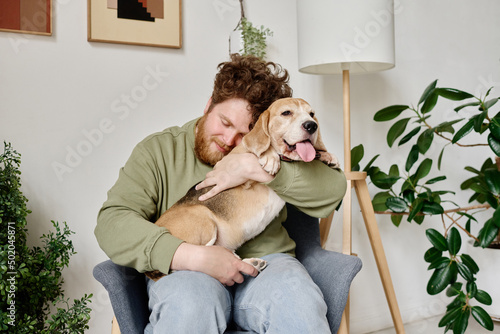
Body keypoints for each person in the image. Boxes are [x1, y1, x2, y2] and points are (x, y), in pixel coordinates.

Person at [95, 54, 347, 333]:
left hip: (268, 265)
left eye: (244, 133)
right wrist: (189, 256)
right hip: (188, 270)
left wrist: (254, 168)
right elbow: (112, 223)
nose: (229, 141)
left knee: (299, 305)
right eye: (225, 123)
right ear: (208, 106)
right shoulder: (158, 150)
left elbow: (334, 192)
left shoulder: (276, 153)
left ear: (263, 130)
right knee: (190, 307)